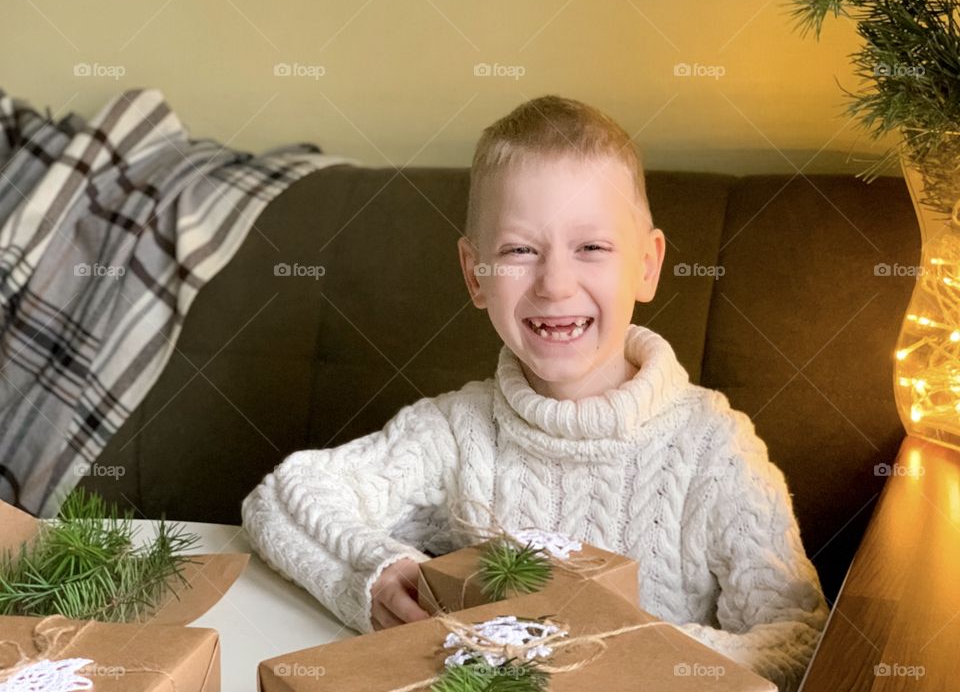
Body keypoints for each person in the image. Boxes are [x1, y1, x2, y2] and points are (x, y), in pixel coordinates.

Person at [242, 95, 828, 692]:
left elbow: (799, 642)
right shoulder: (455, 431)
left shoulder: (714, 448)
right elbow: (284, 498)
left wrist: (620, 655)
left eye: (592, 247)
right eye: (520, 250)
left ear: (647, 266)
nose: (554, 284)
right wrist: (375, 572)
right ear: (476, 275)